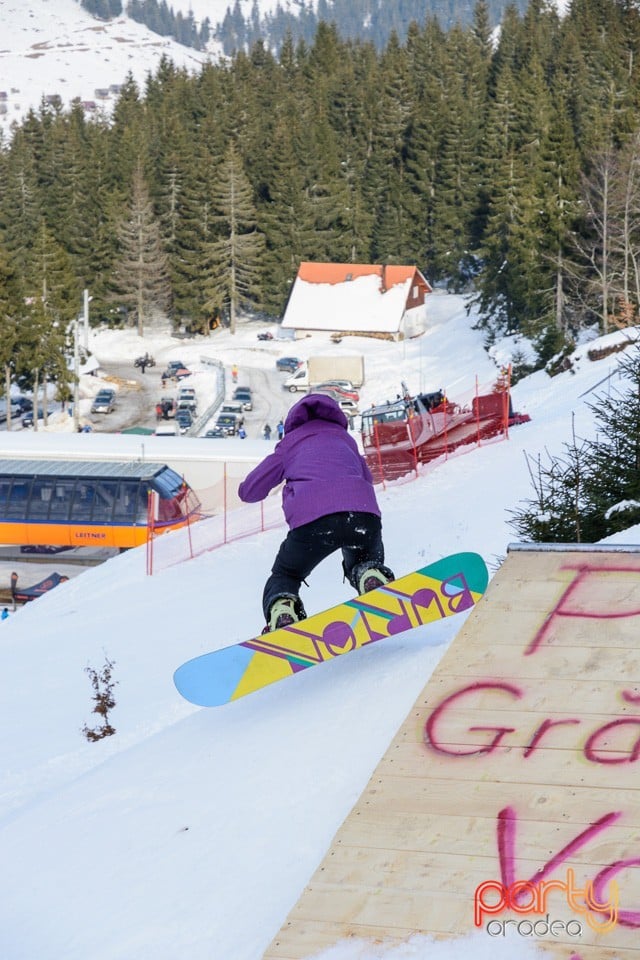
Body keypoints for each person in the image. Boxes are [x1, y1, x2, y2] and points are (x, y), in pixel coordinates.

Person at [238, 393, 394, 633]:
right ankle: (370, 574)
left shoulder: (289, 444)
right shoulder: (346, 439)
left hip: (312, 523)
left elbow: (249, 492)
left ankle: (283, 608)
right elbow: (368, 477)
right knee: (363, 558)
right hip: (363, 515)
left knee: (286, 573)